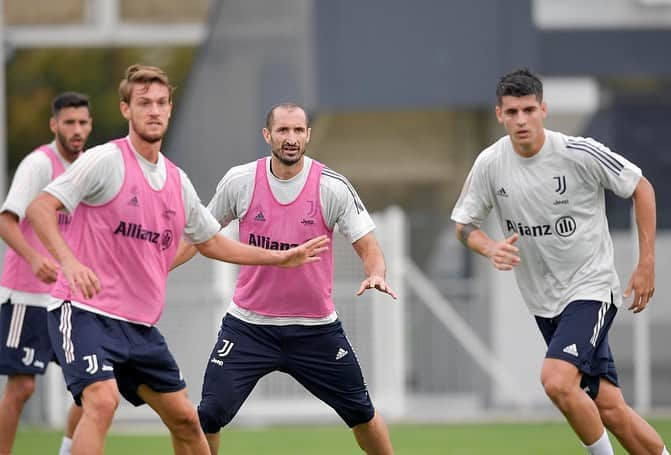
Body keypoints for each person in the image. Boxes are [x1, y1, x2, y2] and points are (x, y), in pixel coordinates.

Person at [26, 66, 328, 455]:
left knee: (186, 421)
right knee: (101, 402)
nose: (153, 110)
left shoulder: (176, 181)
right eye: (143, 103)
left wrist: (280, 258)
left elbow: (212, 242)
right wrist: (69, 262)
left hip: (139, 327)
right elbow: (40, 208)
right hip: (84, 311)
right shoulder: (105, 160)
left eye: (161, 103)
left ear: (170, 109)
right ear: (126, 110)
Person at [451, 68, 669, 455]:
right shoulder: (490, 164)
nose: (521, 120)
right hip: (544, 303)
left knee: (555, 380)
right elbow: (464, 225)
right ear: (499, 114)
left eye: (529, 110)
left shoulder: (577, 152)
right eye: (512, 112)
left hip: (591, 288)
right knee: (610, 408)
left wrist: (646, 262)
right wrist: (489, 248)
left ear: (543, 110)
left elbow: (641, 186)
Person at [183, 102, 396, 455]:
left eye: (298, 130)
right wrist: (159, 268)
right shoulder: (241, 181)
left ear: (308, 135)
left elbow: (369, 246)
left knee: (361, 412)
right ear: (268, 135)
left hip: (315, 330)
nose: (291, 138)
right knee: (209, 414)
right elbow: (200, 236)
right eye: (283, 130)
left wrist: (376, 274)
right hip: (248, 327)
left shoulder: (332, 186)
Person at [0, 92, 92, 455]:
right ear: (54, 125)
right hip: (27, 295)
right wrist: (33, 259)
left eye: (83, 122)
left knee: (94, 385)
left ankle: (68, 450)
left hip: (71, 299)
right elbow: (7, 221)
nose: (77, 129)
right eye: (69, 122)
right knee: (22, 388)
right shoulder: (38, 165)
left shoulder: (92, 167)